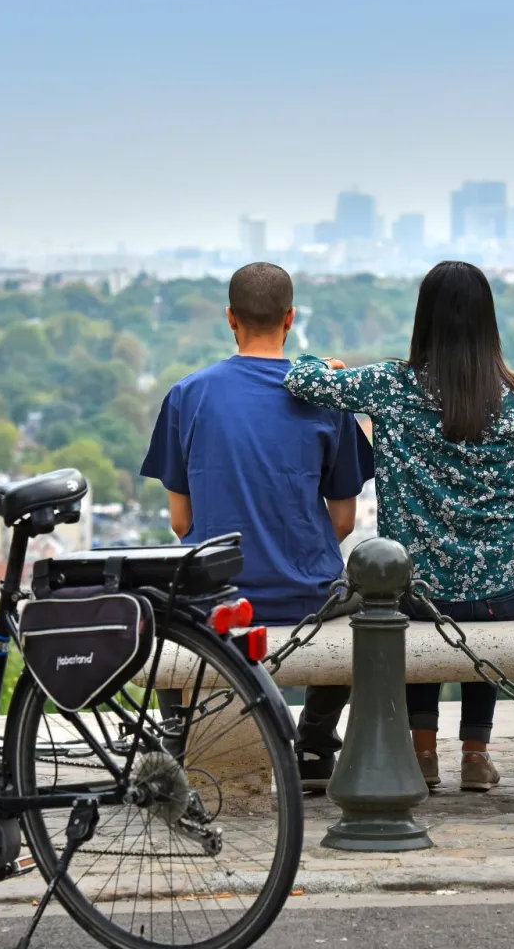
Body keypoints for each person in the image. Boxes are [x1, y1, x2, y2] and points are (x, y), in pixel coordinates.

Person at [284, 260, 514, 792]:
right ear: (489, 322)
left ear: (423, 318)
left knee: (416, 596)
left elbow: (300, 379)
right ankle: (476, 754)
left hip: (415, 590)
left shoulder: (391, 386)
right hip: (508, 589)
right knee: (484, 613)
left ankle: (423, 752)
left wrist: (326, 362)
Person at [141, 262, 374, 790]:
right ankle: (314, 742)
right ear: (290, 318)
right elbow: (343, 520)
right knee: (367, 596)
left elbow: (182, 522)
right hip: (305, 593)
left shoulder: (188, 395)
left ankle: (178, 736)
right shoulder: (325, 397)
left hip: (215, 601)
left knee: (160, 601)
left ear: (230, 319)